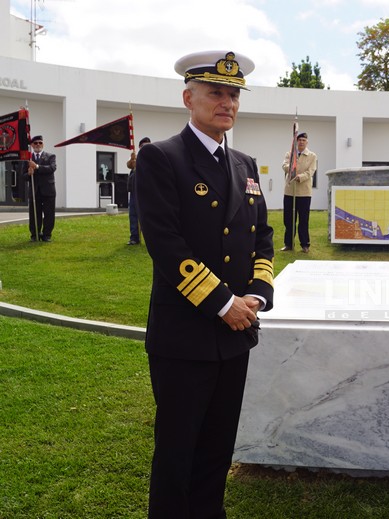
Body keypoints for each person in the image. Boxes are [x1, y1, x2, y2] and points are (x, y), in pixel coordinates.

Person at [135, 50, 275, 518]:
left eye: (233, 95)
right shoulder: (161, 158)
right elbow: (166, 244)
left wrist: (256, 295)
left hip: (236, 333)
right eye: (216, 92)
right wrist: (223, 303)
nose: (227, 103)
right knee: (177, 453)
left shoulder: (245, 164)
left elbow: (262, 236)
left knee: (217, 449)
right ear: (188, 98)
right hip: (185, 335)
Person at [280, 131, 316, 252]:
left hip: (304, 192)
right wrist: (291, 169)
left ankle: (305, 245)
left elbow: (311, 171)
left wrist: (301, 177)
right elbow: (284, 165)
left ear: (307, 142)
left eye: (303, 140)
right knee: (289, 219)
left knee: (303, 220)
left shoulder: (312, 156)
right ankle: (289, 244)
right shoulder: (290, 154)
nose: (301, 142)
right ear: (296, 141)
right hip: (290, 191)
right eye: (299, 140)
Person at [26, 135, 57, 242]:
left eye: (40, 142)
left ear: (43, 144)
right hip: (35, 191)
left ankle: (47, 235)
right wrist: (29, 174)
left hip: (48, 191)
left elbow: (52, 168)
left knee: (49, 214)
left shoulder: (50, 156)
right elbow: (22, 176)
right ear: (32, 145)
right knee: (34, 214)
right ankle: (35, 235)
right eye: (35, 143)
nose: (38, 145)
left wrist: (37, 167)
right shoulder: (28, 159)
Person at [126, 136, 151, 245]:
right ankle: (134, 237)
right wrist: (132, 159)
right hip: (133, 191)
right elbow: (129, 165)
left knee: (146, 216)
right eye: (143, 146)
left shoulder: (152, 157)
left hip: (145, 190)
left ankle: (150, 238)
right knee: (133, 215)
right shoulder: (136, 157)